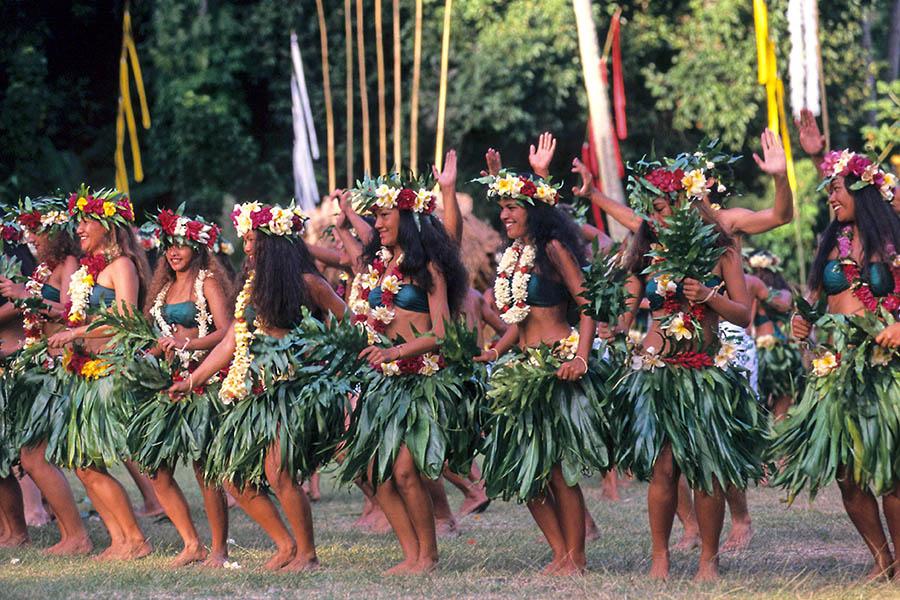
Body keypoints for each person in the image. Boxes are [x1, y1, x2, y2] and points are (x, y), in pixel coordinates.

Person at [592, 153, 760, 582]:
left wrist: (709, 296)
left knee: (705, 470)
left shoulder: (720, 249)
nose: (654, 217)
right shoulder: (649, 251)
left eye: (661, 208)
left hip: (704, 371)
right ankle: (660, 558)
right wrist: (619, 323)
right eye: (650, 210)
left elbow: (742, 314)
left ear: (684, 205)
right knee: (662, 468)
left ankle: (709, 560)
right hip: (657, 372)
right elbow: (628, 305)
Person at [169, 201, 347, 572]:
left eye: (253, 240)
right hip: (254, 392)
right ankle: (285, 545)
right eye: (245, 240)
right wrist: (193, 380)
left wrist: (328, 363)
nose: (247, 247)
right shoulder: (251, 290)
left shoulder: (310, 284)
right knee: (231, 474)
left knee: (278, 471)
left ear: (274, 244)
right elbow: (231, 342)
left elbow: (352, 327)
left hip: (293, 393)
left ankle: (307, 555)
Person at [473, 168, 611, 576]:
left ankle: (577, 557)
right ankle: (559, 552)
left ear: (533, 209)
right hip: (521, 368)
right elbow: (518, 319)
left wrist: (581, 358)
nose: (504, 215)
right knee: (525, 470)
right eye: (501, 208)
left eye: (511, 206)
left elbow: (588, 305)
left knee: (556, 470)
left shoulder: (552, 248)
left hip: (557, 367)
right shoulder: (514, 255)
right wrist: (494, 350)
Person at [773, 149, 899, 581]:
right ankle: (882, 556)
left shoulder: (892, 240)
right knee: (847, 475)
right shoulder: (832, 243)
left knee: (890, 470)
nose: (831, 198)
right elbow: (812, 298)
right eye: (829, 191)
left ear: (862, 192)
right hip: (835, 366)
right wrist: (800, 321)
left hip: (883, 365)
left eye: (837, 189)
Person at [339, 172, 471, 575]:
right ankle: (411, 553)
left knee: (405, 471)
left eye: (383, 215)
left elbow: (443, 333)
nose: (376, 223)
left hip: (420, 380)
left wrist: (395, 351)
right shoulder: (380, 266)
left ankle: (428, 556)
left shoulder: (427, 264)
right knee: (379, 475)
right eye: (374, 216)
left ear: (407, 218)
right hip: (382, 382)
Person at [46, 185, 153, 560]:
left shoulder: (121, 265)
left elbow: (126, 319)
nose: (79, 229)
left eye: (86, 221)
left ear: (108, 226)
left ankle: (135, 539)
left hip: (109, 372)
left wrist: (76, 332)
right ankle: (119, 539)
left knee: (89, 460)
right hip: (85, 372)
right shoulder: (91, 271)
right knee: (81, 463)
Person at [124, 208, 233, 567]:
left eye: (183, 244)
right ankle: (191, 543)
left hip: (202, 382)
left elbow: (223, 331)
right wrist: (146, 353)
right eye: (169, 244)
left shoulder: (209, 282)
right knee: (155, 465)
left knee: (205, 469)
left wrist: (189, 346)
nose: (174, 251)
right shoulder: (163, 289)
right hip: (167, 384)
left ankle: (218, 549)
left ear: (198, 248)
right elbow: (162, 338)